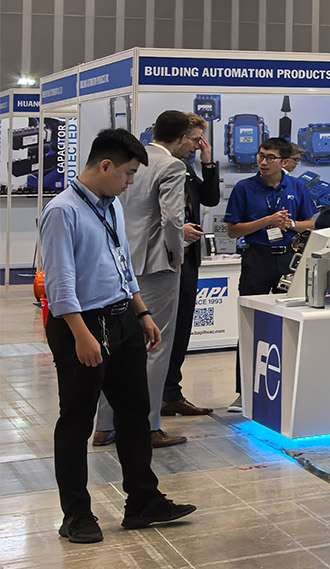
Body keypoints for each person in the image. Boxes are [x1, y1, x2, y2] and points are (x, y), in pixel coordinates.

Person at [40, 128, 197, 543]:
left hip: (122, 318)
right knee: (76, 420)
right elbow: (60, 281)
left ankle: (143, 501)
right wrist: (81, 334)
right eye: (127, 174)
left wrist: (141, 312)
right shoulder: (63, 211)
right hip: (81, 325)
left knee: (134, 413)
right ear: (105, 165)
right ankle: (76, 514)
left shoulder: (111, 206)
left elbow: (122, 262)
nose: (130, 182)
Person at [93, 111, 196, 450]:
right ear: (181, 137)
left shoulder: (130, 158)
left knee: (117, 345)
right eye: (192, 139)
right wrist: (176, 256)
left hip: (119, 259)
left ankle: (104, 426)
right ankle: (147, 426)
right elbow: (172, 219)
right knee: (155, 346)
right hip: (155, 265)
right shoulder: (172, 166)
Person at [223, 137, 318, 404]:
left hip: (287, 259)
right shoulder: (244, 188)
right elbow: (232, 231)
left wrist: (290, 225)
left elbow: (310, 223)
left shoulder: (296, 187)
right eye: (261, 156)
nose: (263, 162)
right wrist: (267, 221)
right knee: (250, 323)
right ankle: (244, 392)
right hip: (257, 259)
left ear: (284, 162)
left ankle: (288, 388)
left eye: (270, 158)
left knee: (289, 321)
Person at [162, 115, 220, 419]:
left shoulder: (186, 168)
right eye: (196, 140)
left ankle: (171, 393)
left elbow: (210, 198)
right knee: (162, 332)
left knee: (183, 327)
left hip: (188, 259)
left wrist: (207, 164)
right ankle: (156, 397)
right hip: (164, 261)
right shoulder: (156, 167)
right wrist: (175, 232)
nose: (199, 146)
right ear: (181, 136)